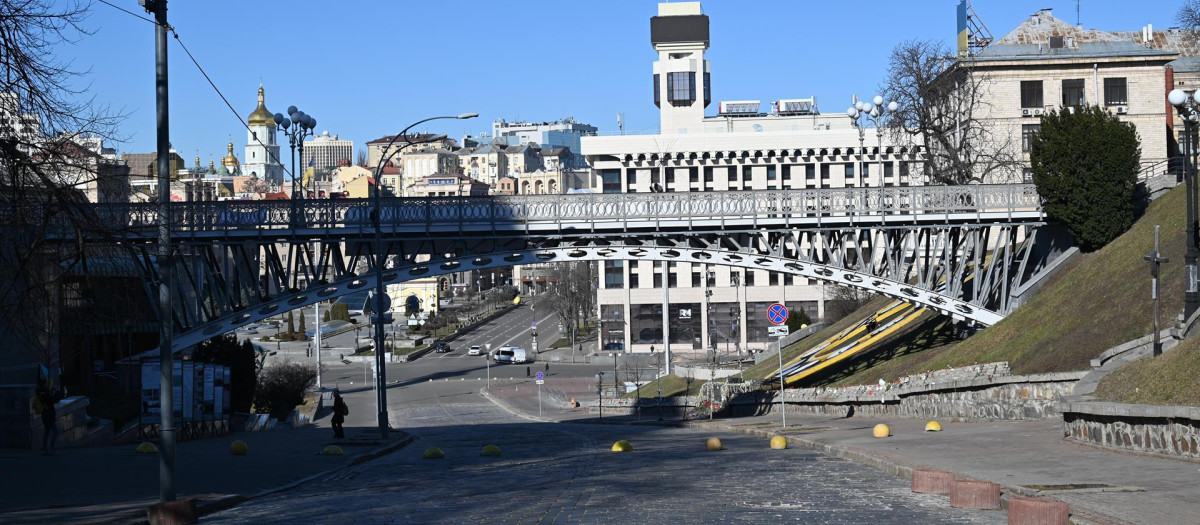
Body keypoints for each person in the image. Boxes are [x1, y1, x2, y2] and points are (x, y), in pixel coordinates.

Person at [36, 385, 63, 455]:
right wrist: (57, 391)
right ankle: (51, 449)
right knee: (55, 432)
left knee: (47, 433)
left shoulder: (42, 396)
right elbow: (55, 399)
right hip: (49, 417)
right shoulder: (46, 397)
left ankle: (44, 449)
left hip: (46, 417)